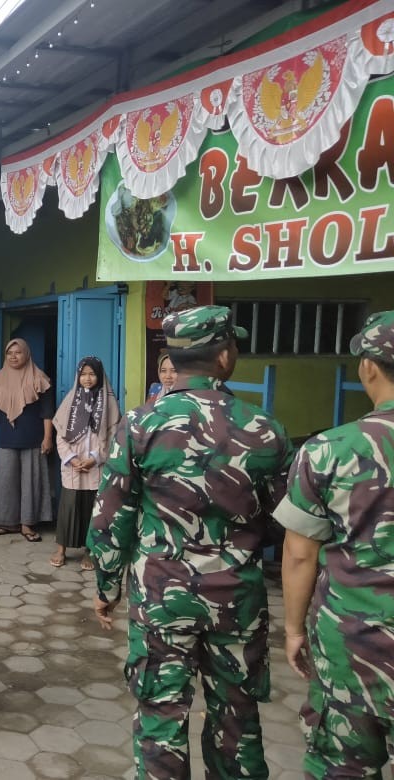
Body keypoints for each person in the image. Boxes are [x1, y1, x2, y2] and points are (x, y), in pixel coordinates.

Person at [89, 305, 294, 780]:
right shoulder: (265, 429)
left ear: (174, 358)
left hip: (162, 598)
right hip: (238, 600)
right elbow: (285, 523)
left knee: (160, 718)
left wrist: (107, 585)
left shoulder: (140, 424)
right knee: (237, 722)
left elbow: (109, 517)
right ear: (224, 356)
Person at [275, 310, 394, 778]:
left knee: (343, 766)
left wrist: (293, 629)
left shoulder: (331, 449)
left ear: (367, 367)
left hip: (354, 643)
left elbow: (300, 553)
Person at [51, 356, 120, 568]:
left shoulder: (108, 402)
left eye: (92, 374)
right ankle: (61, 549)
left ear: (99, 376)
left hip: (95, 466)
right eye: (83, 374)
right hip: (73, 465)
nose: (87, 379)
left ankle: (88, 551)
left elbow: (113, 434)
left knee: (93, 509)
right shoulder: (71, 399)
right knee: (68, 507)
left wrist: (94, 458)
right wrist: (71, 458)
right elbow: (60, 434)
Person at [0, 338, 54, 542]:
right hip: (7, 438)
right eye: (9, 353)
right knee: (6, 481)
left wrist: (47, 437)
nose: (13, 357)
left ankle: (27, 524)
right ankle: (7, 522)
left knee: (31, 482)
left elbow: (47, 412)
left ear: (27, 354)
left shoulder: (40, 378)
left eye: (18, 352)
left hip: (33, 438)